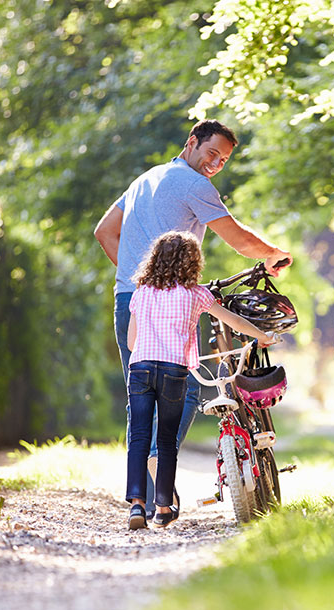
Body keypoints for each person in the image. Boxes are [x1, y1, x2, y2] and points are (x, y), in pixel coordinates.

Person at [95, 119, 291, 519]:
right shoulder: (193, 184)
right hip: (174, 303)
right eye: (211, 153)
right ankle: (156, 463)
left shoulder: (146, 178)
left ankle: (149, 502)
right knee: (180, 389)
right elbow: (237, 239)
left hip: (129, 299)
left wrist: (143, 279)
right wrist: (273, 253)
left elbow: (104, 232)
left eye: (223, 160)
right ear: (192, 142)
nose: (215, 164)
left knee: (141, 394)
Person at [125, 231, 279, 529]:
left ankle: (135, 506)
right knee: (166, 441)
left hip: (140, 369)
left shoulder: (141, 291)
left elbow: (132, 342)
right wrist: (263, 336)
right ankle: (163, 507)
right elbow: (233, 321)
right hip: (173, 371)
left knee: (139, 438)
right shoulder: (196, 294)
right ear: (193, 262)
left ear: (154, 260)